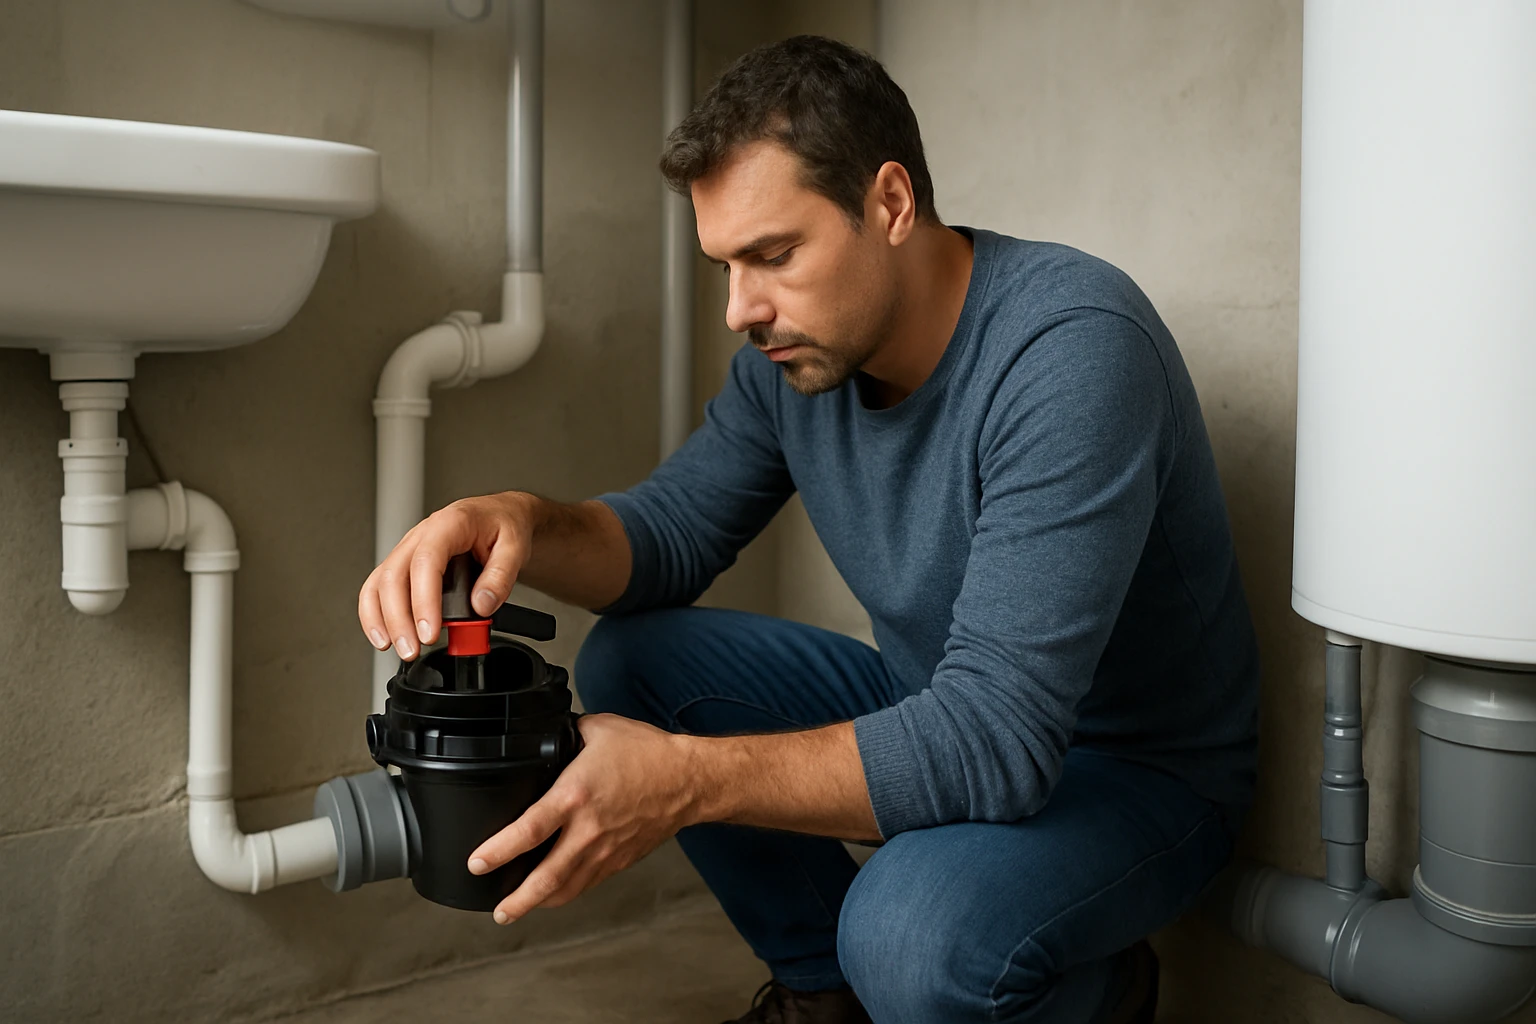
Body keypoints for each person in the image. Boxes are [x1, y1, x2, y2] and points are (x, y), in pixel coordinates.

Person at [358, 34, 1259, 1024]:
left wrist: (685, 782)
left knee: (905, 930)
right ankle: (824, 999)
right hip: (945, 697)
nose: (742, 307)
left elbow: (998, 739)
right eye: (725, 264)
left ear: (890, 204)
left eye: (773, 255)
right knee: (635, 662)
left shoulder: (1072, 351)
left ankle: (1089, 991)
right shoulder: (793, 361)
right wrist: (513, 521)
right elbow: (666, 537)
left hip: (1131, 774)